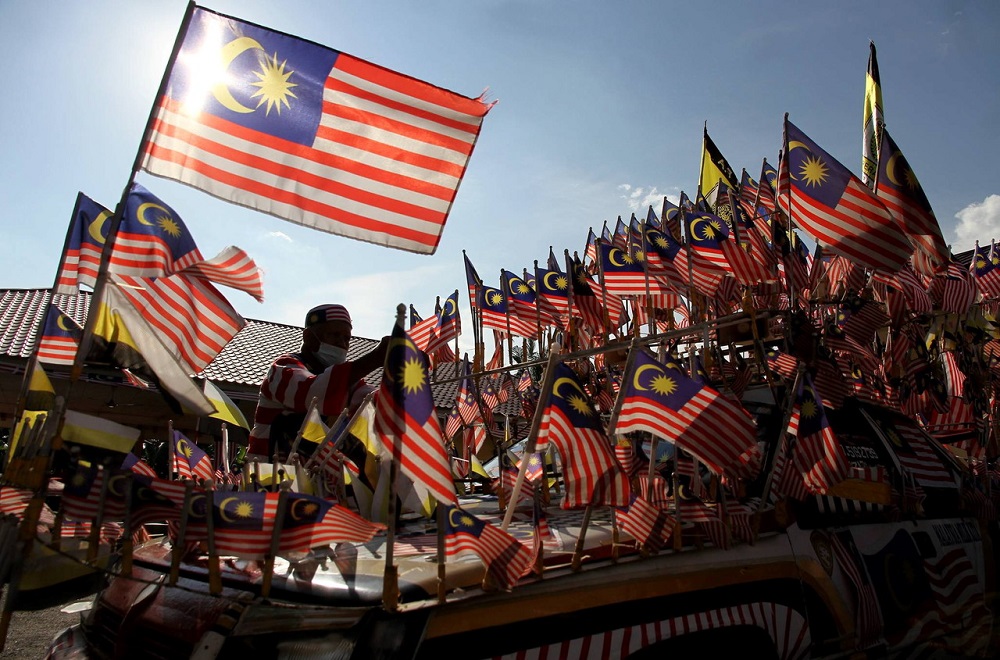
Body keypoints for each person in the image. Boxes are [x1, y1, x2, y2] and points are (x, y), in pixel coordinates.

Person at [249, 304, 389, 460]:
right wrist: (375, 358)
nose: (342, 343)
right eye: (334, 335)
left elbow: (372, 400)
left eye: (346, 338)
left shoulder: (345, 381)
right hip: (269, 476)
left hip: (313, 478)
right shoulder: (282, 369)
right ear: (308, 337)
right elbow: (312, 394)